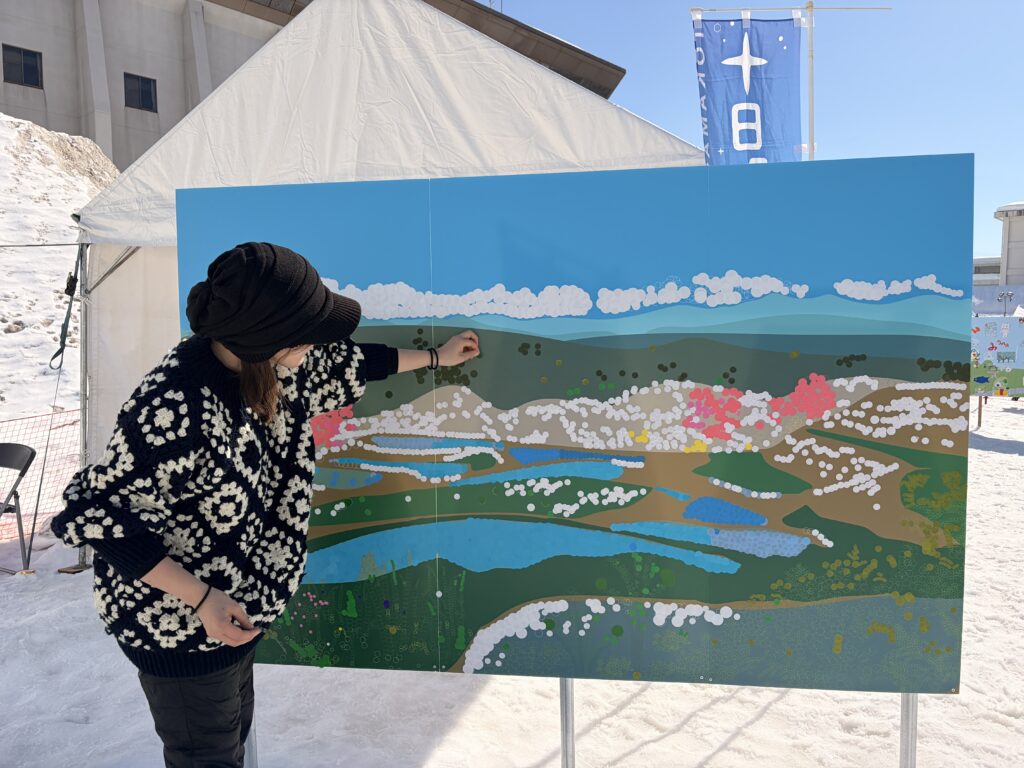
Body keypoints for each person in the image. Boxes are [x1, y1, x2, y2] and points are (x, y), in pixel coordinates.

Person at [50, 242, 480, 767]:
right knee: (207, 755)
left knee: (232, 738)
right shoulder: (171, 406)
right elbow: (102, 517)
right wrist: (202, 599)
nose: (316, 345)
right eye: (307, 334)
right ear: (269, 338)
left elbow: (353, 362)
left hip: (231, 615)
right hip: (177, 626)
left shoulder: (272, 365)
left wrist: (437, 357)